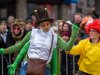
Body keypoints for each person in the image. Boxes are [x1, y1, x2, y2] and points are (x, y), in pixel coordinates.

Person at [0, 7, 79, 75]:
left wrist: (74, 34)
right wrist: (4, 51)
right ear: (38, 26)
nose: (46, 27)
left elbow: (67, 47)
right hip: (27, 66)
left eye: (47, 24)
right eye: (43, 25)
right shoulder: (32, 33)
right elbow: (19, 45)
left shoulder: (55, 37)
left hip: (45, 68)